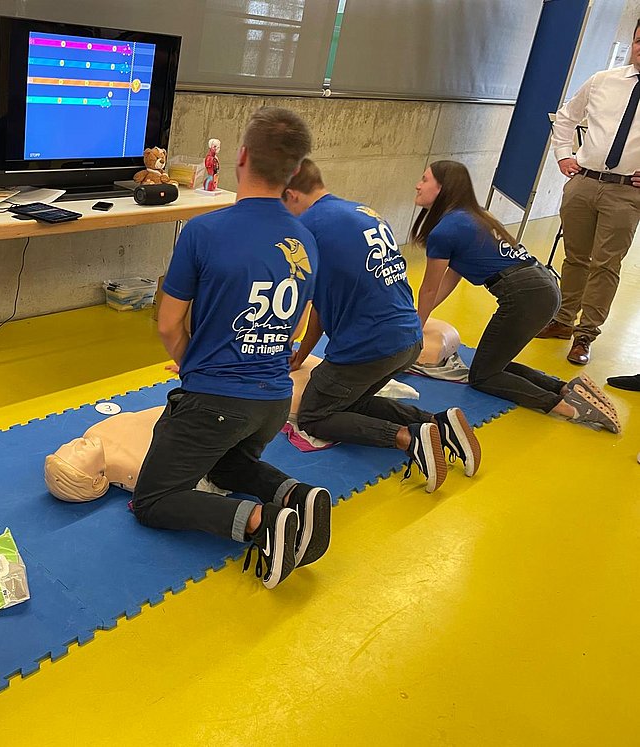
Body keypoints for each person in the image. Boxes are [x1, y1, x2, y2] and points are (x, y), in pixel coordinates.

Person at [131, 107, 331, 590]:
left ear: (240, 157)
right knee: (221, 464)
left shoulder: (204, 231)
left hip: (217, 402)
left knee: (152, 501)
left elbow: (168, 325)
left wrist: (194, 371)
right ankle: (294, 494)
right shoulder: (306, 239)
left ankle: (263, 521)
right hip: (274, 403)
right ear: (293, 172)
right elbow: (294, 324)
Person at [283, 159, 480, 493]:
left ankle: (408, 438)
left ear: (291, 195)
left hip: (370, 347)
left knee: (314, 416)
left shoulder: (307, 227)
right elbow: (320, 305)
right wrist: (301, 356)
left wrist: (284, 350)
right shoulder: (361, 211)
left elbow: (300, 307)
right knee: (348, 400)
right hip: (409, 339)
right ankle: (436, 423)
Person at [411, 160, 620, 434]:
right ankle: (567, 388)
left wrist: (413, 329)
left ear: (442, 188)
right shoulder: (474, 216)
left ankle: (569, 408)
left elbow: (428, 289)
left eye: (425, 179)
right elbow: (451, 277)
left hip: (526, 295)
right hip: (543, 287)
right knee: (492, 363)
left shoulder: (445, 230)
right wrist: (418, 319)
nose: (418, 185)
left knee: (483, 376)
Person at [537, 20, 640, 364]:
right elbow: (565, 117)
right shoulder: (602, 81)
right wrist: (563, 155)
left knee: (606, 265)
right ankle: (563, 320)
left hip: (626, 193)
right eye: (638, 41)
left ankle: (585, 335)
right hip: (583, 182)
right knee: (575, 257)